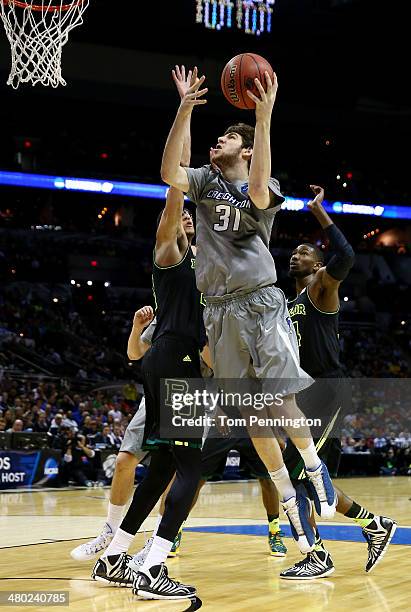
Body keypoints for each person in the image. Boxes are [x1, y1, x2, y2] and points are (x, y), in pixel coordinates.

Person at [161, 68, 336, 554]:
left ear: (244, 150)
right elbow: (168, 172)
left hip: (259, 303)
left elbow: (258, 189)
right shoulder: (202, 182)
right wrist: (185, 109)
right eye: (216, 137)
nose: (217, 141)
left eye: (226, 137)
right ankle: (285, 494)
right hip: (218, 311)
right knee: (254, 413)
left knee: (280, 400)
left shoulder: (263, 184)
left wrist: (263, 118)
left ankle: (315, 471)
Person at [90, 66, 207, 601]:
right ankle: (153, 568)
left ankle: (115, 557)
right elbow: (175, 180)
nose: (185, 224)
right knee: (194, 465)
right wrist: (184, 109)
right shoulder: (167, 256)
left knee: (162, 465)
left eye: (190, 222)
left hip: (181, 364)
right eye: (181, 221)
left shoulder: (209, 268)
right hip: (174, 359)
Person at [278, 185, 396, 578]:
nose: (297, 254)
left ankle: (318, 557)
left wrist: (319, 212)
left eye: (306, 252)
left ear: (318, 264)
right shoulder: (288, 301)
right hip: (303, 394)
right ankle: (373, 524)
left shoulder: (322, 288)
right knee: (311, 482)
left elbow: (347, 256)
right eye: (294, 252)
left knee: (292, 472)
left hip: (327, 389)